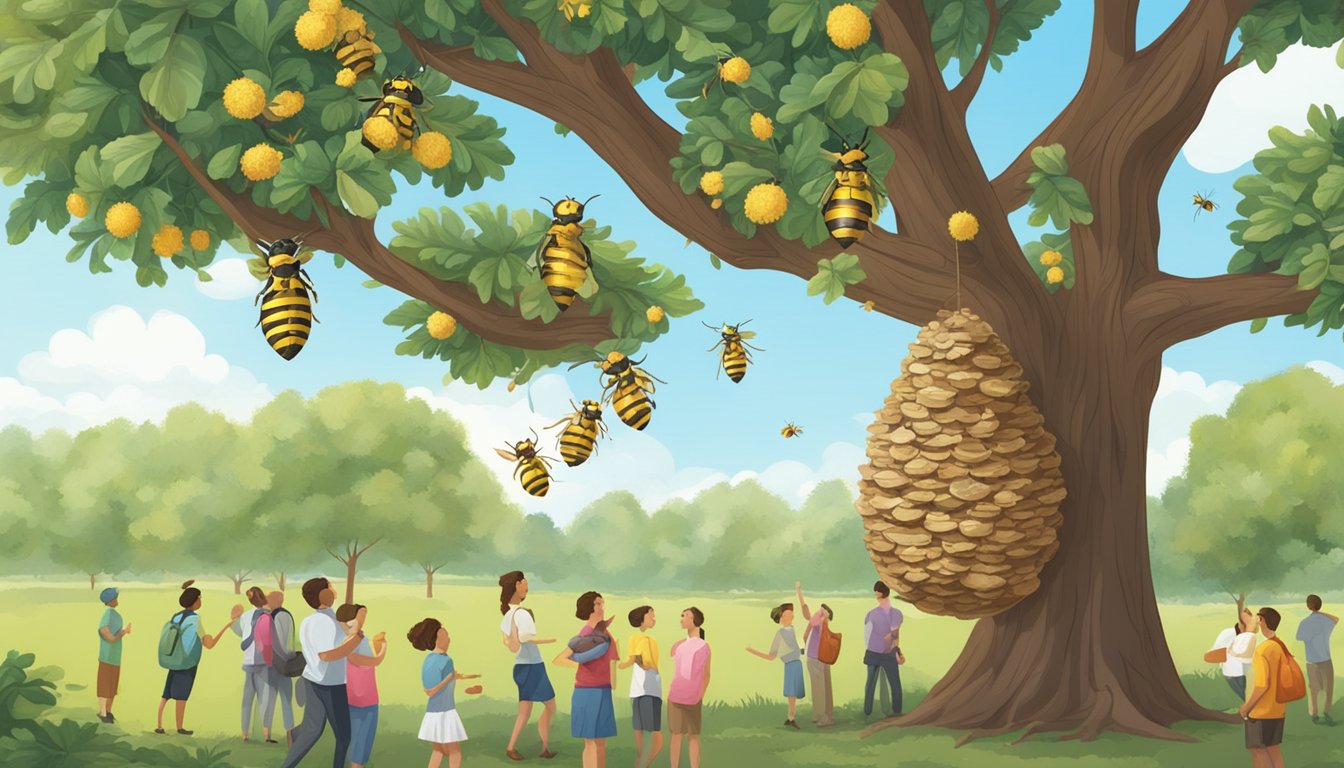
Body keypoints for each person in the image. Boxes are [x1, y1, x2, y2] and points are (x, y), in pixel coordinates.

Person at [281, 577, 363, 768]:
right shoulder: (323, 622)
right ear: (324, 594)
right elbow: (327, 655)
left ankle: (288, 759)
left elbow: (342, 632)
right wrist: (356, 639)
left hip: (312, 679)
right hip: (330, 684)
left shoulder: (315, 620)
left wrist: (354, 627)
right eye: (331, 588)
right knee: (343, 736)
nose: (334, 591)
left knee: (312, 729)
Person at [156, 580, 239, 735]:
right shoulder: (195, 619)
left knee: (166, 694)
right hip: (187, 662)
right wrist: (227, 626)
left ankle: (159, 725)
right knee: (182, 696)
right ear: (195, 601)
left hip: (173, 659)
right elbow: (209, 644)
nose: (201, 600)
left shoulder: (176, 616)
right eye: (200, 597)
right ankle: (180, 727)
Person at [498, 571, 558, 761]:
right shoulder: (522, 613)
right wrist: (547, 640)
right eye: (524, 582)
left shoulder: (509, 614)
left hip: (522, 667)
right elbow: (524, 638)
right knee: (550, 706)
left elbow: (509, 644)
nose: (527, 586)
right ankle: (543, 746)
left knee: (525, 711)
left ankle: (520, 747)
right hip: (533, 667)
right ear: (516, 585)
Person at [555, 591, 619, 768]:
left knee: (600, 743)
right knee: (591, 742)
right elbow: (560, 658)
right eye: (598, 604)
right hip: (587, 691)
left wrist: (612, 681)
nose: (602, 608)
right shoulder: (585, 634)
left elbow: (612, 659)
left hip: (603, 690)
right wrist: (579, 663)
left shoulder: (606, 633)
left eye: (602, 604)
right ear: (590, 608)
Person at [409, 617, 482, 768]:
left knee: (438, 751)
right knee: (455, 752)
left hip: (433, 712)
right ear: (437, 639)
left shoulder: (429, 659)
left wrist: (464, 677)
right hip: (445, 712)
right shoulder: (446, 660)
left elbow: (449, 677)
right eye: (446, 636)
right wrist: (448, 679)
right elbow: (429, 691)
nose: (449, 640)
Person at [339, 603, 388, 768]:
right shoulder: (351, 640)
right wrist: (383, 649)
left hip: (366, 693)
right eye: (361, 614)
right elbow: (372, 661)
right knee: (360, 738)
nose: (363, 618)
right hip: (359, 695)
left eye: (365, 614)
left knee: (364, 738)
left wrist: (376, 644)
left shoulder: (360, 638)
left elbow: (368, 661)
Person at [1240, 607, 1288, 768]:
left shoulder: (1262, 650)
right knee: (1273, 750)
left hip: (1260, 712)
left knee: (1258, 751)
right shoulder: (1279, 646)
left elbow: (1262, 685)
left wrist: (1246, 707)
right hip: (1278, 709)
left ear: (1261, 620)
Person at [745, 602, 804, 730]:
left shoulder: (793, 630)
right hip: (790, 664)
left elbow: (798, 647)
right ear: (782, 618)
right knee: (791, 693)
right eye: (788, 614)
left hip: (797, 663)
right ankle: (791, 718)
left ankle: (791, 717)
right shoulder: (781, 633)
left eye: (791, 614)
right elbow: (771, 656)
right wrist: (752, 650)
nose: (792, 616)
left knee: (793, 693)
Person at [619, 605, 663, 768]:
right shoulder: (638, 638)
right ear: (642, 617)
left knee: (647, 736)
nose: (654, 618)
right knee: (649, 735)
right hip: (645, 690)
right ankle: (641, 764)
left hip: (649, 689)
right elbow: (632, 659)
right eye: (651, 615)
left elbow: (636, 660)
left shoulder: (650, 639)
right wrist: (619, 665)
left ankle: (641, 764)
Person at [667, 607, 709, 768]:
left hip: (692, 697)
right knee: (679, 735)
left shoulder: (704, 646)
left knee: (692, 735)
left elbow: (706, 674)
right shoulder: (680, 646)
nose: (681, 619)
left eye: (685, 616)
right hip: (676, 696)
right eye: (681, 615)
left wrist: (700, 694)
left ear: (694, 620)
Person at [862, 581, 904, 719]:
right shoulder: (872, 614)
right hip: (875, 651)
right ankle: (868, 711)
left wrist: (897, 651)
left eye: (878, 596)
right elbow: (868, 635)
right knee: (872, 684)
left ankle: (896, 710)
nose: (877, 599)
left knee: (893, 682)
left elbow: (894, 635)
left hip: (885, 652)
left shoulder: (895, 614)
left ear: (883, 596)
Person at [233, 586, 270, 742]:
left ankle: (245, 733)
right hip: (263, 661)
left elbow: (240, 632)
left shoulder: (245, 616)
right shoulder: (268, 616)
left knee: (247, 699)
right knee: (264, 699)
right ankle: (266, 732)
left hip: (248, 660)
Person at [795, 582, 835, 728]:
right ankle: (822, 715)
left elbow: (806, 612)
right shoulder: (816, 622)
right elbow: (805, 610)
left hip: (817, 658)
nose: (819, 612)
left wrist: (799, 591)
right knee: (821, 688)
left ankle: (824, 717)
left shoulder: (820, 622)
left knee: (820, 688)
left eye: (823, 612)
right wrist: (799, 592)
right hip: (817, 657)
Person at [1295, 594, 1337, 725]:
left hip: (1311, 660)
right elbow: (1336, 619)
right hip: (1325, 658)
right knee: (1328, 687)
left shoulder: (1304, 622)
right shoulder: (1326, 621)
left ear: (1308, 606)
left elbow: (1298, 637)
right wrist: (1321, 613)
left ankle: (1314, 713)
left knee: (1314, 688)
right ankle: (1327, 712)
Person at [1207, 598, 1258, 704]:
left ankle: (1250, 715)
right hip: (1232, 673)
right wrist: (1230, 653)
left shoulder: (1249, 636)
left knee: (1250, 698)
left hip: (1245, 671)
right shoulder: (1228, 633)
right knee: (1247, 698)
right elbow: (1211, 654)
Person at [264, 589, 299, 745]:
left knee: (271, 699)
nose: (267, 602)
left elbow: (275, 642)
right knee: (286, 700)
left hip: (276, 664)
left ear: (276, 600)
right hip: (286, 662)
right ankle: (289, 738)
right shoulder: (287, 615)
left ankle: (268, 734)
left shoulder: (276, 616)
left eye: (269, 599)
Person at [96, 586, 130, 724]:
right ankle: (103, 713)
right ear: (110, 600)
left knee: (112, 685)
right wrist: (118, 636)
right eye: (115, 598)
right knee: (105, 684)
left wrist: (122, 633)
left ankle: (108, 711)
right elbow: (104, 631)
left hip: (114, 656)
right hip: (107, 656)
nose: (117, 600)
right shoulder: (108, 613)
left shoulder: (113, 613)